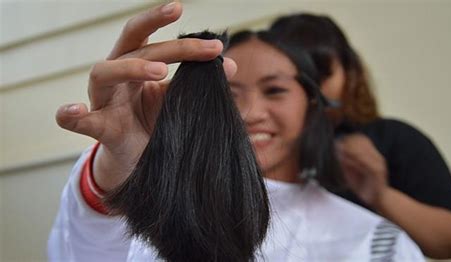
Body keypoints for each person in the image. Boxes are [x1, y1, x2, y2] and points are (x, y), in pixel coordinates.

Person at [48, 2, 424, 261]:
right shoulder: (166, 210)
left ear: (313, 106)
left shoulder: (374, 241)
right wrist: (121, 167)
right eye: (230, 95)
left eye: (275, 90)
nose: (249, 113)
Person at [270, 14, 451, 259]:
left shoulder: (393, 138)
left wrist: (380, 195)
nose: (312, 92)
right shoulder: (264, 152)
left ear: (349, 71)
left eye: (321, 75)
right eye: (297, 80)